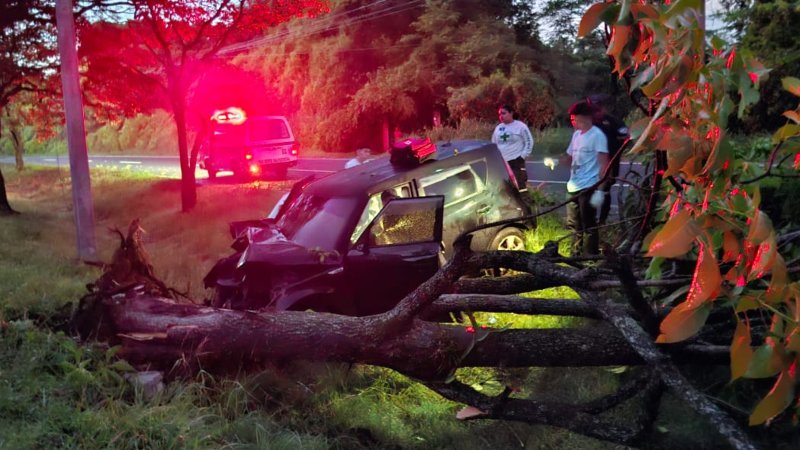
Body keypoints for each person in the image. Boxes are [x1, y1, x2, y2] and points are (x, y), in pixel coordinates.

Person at [560, 100, 609, 256]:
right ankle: (575, 253)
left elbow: (604, 163)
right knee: (573, 224)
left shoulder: (597, 136)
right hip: (573, 186)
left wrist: (600, 191)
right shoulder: (576, 135)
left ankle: (590, 256)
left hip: (589, 186)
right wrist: (556, 162)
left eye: (575, 119)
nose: (573, 122)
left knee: (588, 224)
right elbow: (569, 157)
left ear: (585, 117)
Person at [587, 94, 629, 225]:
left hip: (610, 161)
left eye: (597, 109)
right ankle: (590, 220)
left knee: (605, 190)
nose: (595, 113)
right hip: (591, 162)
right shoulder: (589, 123)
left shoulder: (612, 121)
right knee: (589, 190)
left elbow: (625, 136)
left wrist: (616, 151)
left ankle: (603, 220)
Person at [491, 104, 534, 191]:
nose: (501, 116)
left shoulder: (520, 126)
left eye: (504, 113)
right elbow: (493, 144)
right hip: (502, 162)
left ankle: (525, 201)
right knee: (505, 186)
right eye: (499, 114)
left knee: (520, 185)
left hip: (516, 160)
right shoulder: (498, 128)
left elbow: (529, 141)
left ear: (511, 113)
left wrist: (522, 156)